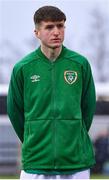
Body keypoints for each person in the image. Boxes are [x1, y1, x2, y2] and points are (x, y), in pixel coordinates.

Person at [7, 6, 96, 179]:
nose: (56, 32)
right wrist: (34, 135)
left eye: (60, 26)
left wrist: (73, 134)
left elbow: (88, 109)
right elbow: (15, 112)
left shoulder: (80, 64)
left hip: (76, 162)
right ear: (37, 33)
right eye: (49, 27)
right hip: (36, 162)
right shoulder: (22, 68)